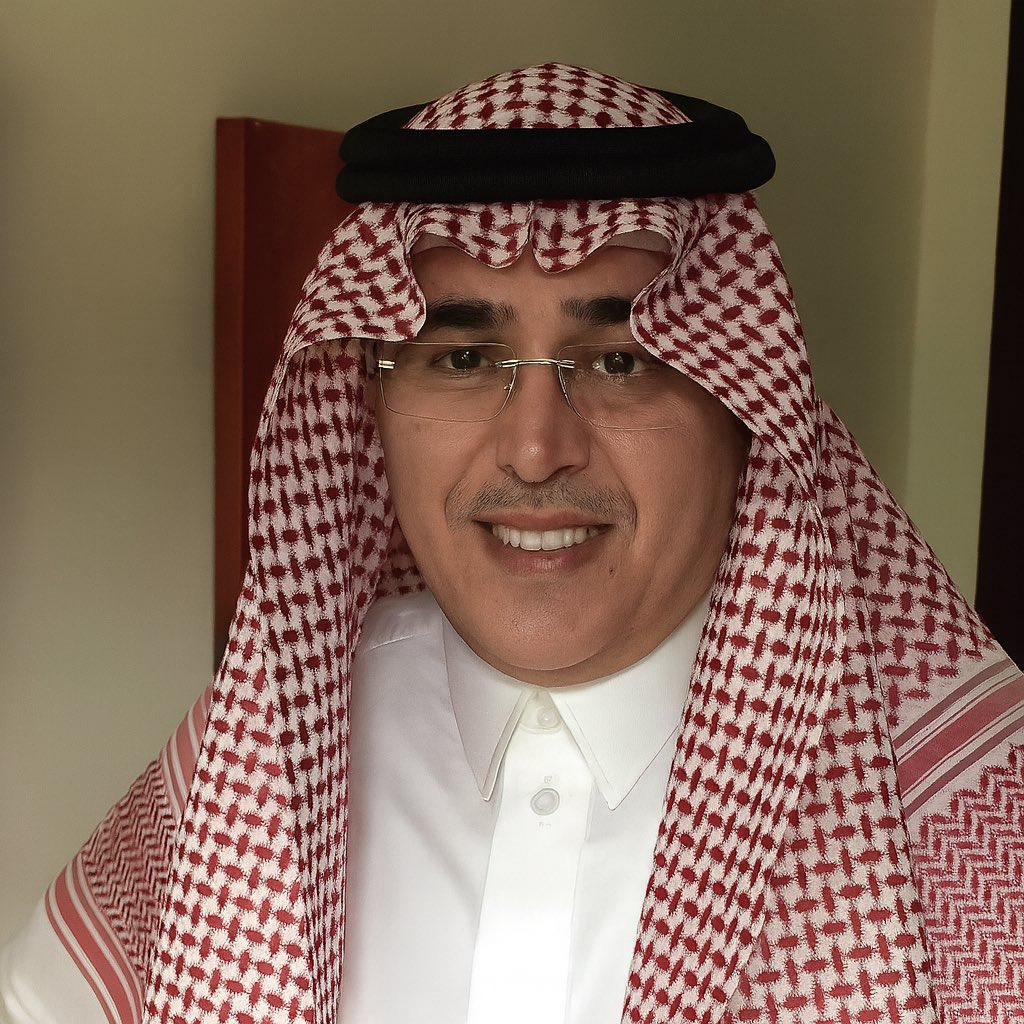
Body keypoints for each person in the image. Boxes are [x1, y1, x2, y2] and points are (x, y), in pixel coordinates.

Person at [1, 62, 1022, 1024]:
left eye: (620, 362)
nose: (535, 449)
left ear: (741, 404)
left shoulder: (952, 800)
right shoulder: (267, 741)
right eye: (464, 357)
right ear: (373, 403)